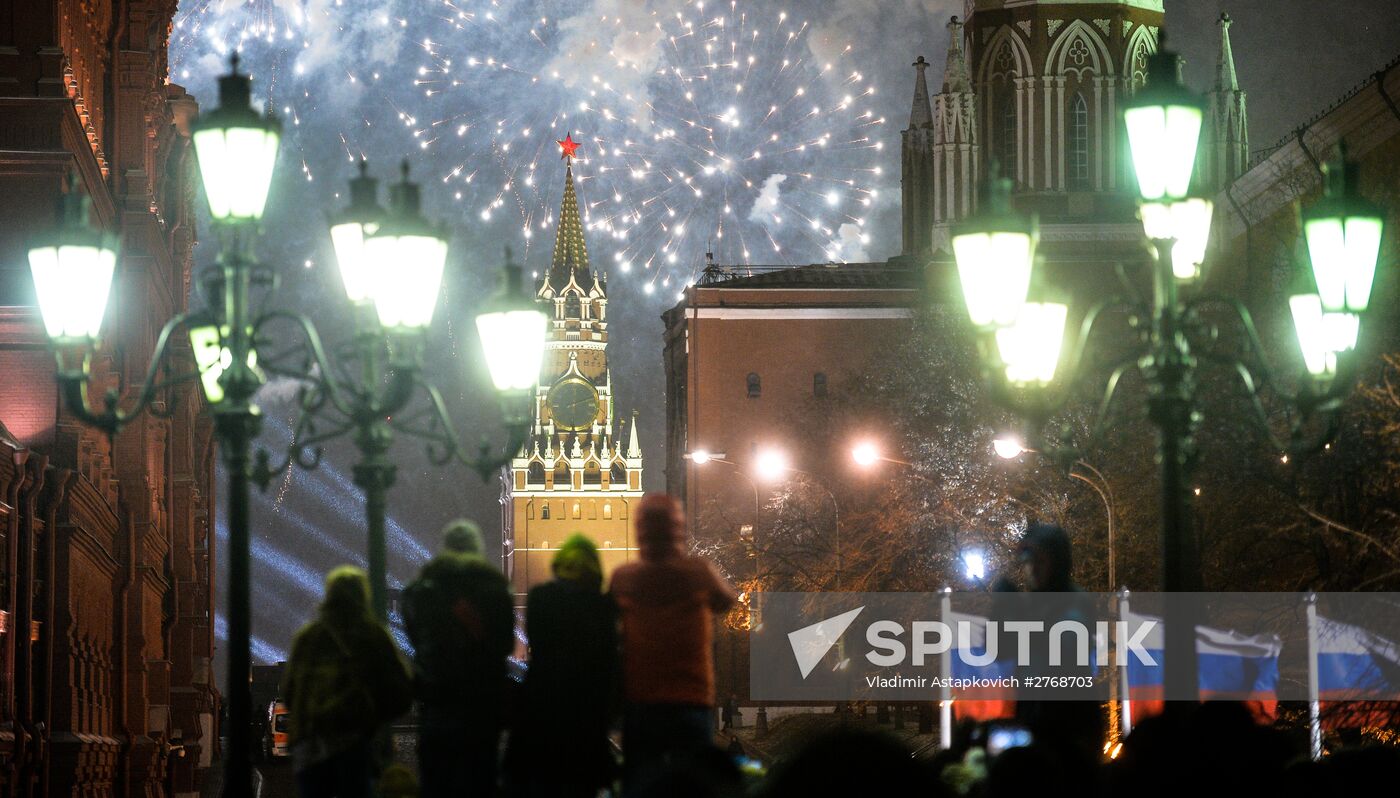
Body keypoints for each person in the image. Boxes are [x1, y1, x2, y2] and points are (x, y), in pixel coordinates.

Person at [608, 493, 735, 794]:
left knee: (639, 780)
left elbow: (609, 620)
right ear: (678, 529)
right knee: (696, 785)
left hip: (642, 701)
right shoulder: (698, 572)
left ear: (640, 531)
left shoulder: (623, 578)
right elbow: (726, 601)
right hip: (691, 699)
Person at [402, 519, 515, 798]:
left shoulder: (422, 590)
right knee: (481, 781)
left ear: (446, 548)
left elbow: (415, 638)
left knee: (436, 783)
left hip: (437, 703)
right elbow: (504, 644)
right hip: (482, 707)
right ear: (476, 549)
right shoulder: (495, 590)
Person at [283, 566, 412, 798]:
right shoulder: (373, 635)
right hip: (354, 742)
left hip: (310, 745)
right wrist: (374, 716)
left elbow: (290, 693)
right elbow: (401, 692)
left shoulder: (308, 637)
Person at [506, 533, 619, 797]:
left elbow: (538, 643)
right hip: (586, 721)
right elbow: (609, 662)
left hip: (541, 712)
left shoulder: (540, 599)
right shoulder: (604, 607)